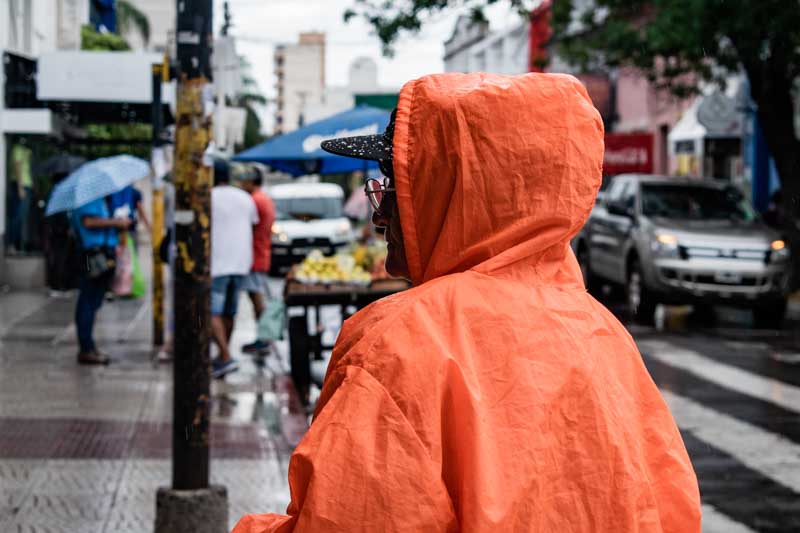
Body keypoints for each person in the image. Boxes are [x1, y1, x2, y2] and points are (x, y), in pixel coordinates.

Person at [233, 73, 701, 532]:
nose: (382, 212)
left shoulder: (399, 344)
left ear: (449, 190)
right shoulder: (601, 333)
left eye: (395, 184)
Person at [210, 159, 259, 378]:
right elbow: (253, 223)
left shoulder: (207, 196)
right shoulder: (245, 198)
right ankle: (223, 355)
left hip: (217, 264)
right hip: (240, 263)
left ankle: (225, 356)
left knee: (213, 312)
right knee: (230, 312)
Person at [72, 195, 131, 364]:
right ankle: (86, 348)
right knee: (88, 301)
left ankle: (88, 346)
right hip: (93, 255)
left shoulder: (98, 199)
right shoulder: (88, 199)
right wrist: (115, 223)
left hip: (101, 252)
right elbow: (88, 222)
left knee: (93, 300)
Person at [240, 168, 277, 355]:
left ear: (250, 182)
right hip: (261, 253)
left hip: (255, 255)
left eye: (243, 181)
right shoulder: (264, 198)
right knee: (257, 297)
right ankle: (263, 337)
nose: (240, 185)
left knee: (256, 299)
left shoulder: (255, 200)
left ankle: (264, 338)